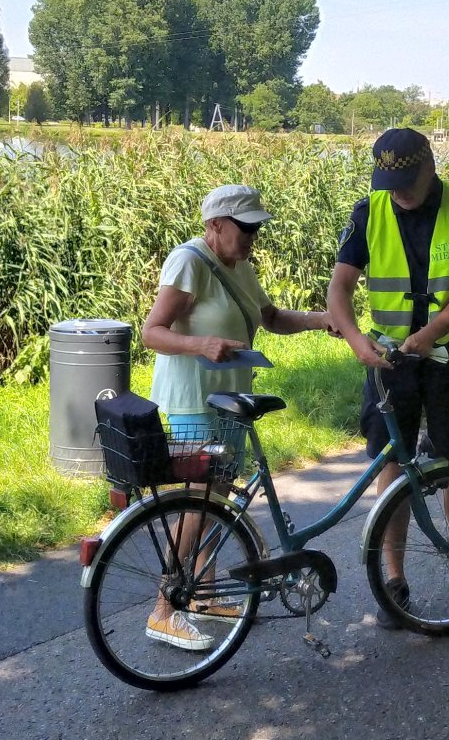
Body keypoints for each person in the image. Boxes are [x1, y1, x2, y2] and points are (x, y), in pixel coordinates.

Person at [141, 183, 338, 650]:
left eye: (256, 228)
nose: (252, 236)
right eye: (244, 227)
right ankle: (164, 607)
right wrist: (200, 345)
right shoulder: (189, 261)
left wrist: (320, 318)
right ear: (215, 225)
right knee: (198, 500)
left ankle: (205, 593)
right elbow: (152, 332)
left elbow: (270, 317)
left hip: (229, 397)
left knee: (219, 495)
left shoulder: (241, 266)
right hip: (194, 399)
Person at [326, 127, 449, 629]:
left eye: (406, 180)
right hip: (387, 358)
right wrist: (360, 341)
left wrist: (431, 334)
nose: (398, 191)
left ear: (430, 166)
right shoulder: (370, 210)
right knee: (391, 465)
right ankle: (395, 578)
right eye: (388, 181)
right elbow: (339, 289)